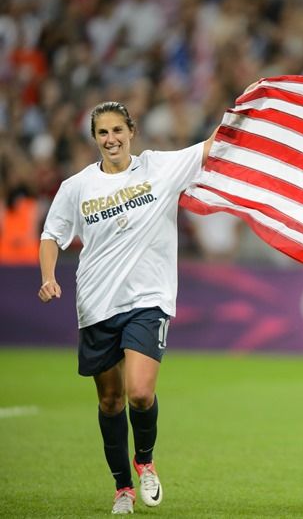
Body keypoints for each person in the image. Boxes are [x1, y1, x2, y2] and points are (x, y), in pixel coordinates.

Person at [37, 100, 219, 514]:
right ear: (94, 138)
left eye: (117, 130)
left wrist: (246, 109)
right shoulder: (77, 186)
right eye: (103, 132)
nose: (111, 139)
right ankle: (123, 488)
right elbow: (52, 234)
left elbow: (210, 147)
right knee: (110, 401)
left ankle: (146, 462)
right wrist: (48, 276)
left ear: (131, 131)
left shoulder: (159, 168)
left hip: (148, 300)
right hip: (96, 303)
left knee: (139, 392)